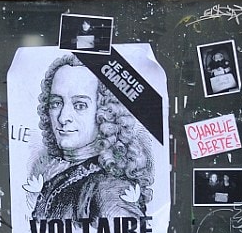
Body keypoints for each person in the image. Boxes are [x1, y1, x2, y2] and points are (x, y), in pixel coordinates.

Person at [24, 54, 155, 224]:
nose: (63, 117)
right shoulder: (63, 175)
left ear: (106, 113)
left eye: (80, 105)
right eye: (56, 103)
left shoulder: (108, 191)